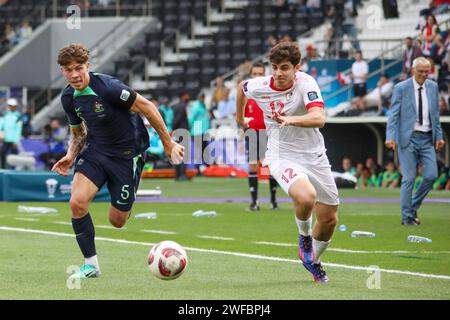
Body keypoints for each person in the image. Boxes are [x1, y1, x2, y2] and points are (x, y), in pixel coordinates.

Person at [52, 43, 184, 279]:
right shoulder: (68, 97)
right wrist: (71, 155)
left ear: (88, 66)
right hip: (96, 152)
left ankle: (127, 199)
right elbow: (79, 132)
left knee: (117, 221)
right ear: (62, 71)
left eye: (79, 68)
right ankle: (91, 265)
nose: (74, 74)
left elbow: (148, 108)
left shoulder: (109, 88)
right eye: (68, 69)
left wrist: (168, 143)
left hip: (127, 156)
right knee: (77, 202)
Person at [236, 42, 339, 283]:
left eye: (284, 68)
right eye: (274, 67)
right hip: (281, 154)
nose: (279, 73)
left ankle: (313, 262)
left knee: (329, 219)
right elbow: (241, 88)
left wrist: (290, 119)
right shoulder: (259, 85)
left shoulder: (306, 83)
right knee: (306, 197)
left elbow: (319, 118)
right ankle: (304, 237)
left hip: (315, 155)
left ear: (296, 68)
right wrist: (241, 119)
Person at [385, 57, 445, 226]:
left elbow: (435, 116)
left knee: (432, 175)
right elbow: (393, 115)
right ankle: (407, 218)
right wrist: (390, 136)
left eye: (427, 71)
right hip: (408, 138)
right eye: (421, 71)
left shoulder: (433, 87)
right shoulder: (401, 88)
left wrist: (439, 137)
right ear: (413, 71)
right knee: (409, 178)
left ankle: (411, 208)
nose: (424, 75)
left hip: (427, 138)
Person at [243, 62, 278, 211]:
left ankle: (273, 201)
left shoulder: (269, 92)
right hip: (251, 133)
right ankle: (254, 202)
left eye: (260, 74)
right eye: (254, 74)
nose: (257, 77)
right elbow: (241, 116)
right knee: (252, 165)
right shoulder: (245, 94)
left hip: (267, 132)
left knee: (269, 167)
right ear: (251, 75)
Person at [188, 92, 210, 172]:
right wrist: (190, 128)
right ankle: (197, 168)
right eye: (201, 97)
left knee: (204, 151)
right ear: (198, 97)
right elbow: (191, 119)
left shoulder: (203, 105)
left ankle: (207, 168)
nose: (203, 99)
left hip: (203, 131)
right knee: (199, 151)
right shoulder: (196, 106)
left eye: (203, 97)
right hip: (197, 131)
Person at [171, 90, 191, 181]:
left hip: (177, 132)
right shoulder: (182, 106)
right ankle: (182, 175)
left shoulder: (174, 106)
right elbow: (178, 119)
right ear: (183, 96)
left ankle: (177, 175)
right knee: (183, 154)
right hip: (182, 132)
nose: (188, 97)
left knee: (177, 153)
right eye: (186, 95)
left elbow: (174, 119)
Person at [0, 98, 22, 169]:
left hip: (13, 141)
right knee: (2, 153)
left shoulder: (18, 116)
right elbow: (1, 125)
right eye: (10, 105)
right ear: (8, 106)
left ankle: (13, 170)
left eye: (13, 105)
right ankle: (3, 169)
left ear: (15, 106)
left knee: (14, 156)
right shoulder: (5, 114)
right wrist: (0, 133)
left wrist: (15, 141)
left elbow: (18, 129)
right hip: (6, 139)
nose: (12, 107)